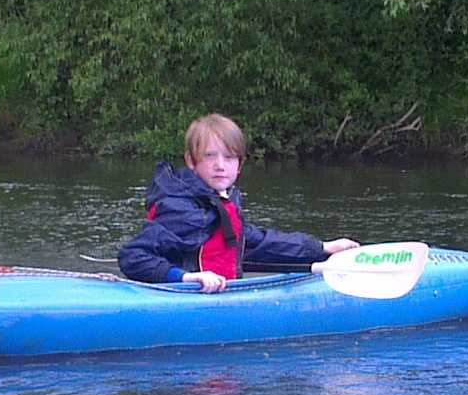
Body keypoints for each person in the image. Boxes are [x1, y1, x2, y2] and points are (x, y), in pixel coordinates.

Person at [118, 113, 359, 292]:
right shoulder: (183, 209)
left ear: (240, 164)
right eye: (209, 156)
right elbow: (133, 257)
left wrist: (322, 248)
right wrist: (185, 278)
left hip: (221, 295)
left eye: (229, 157)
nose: (220, 165)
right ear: (191, 161)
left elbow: (259, 243)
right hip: (186, 299)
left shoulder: (219, 203)